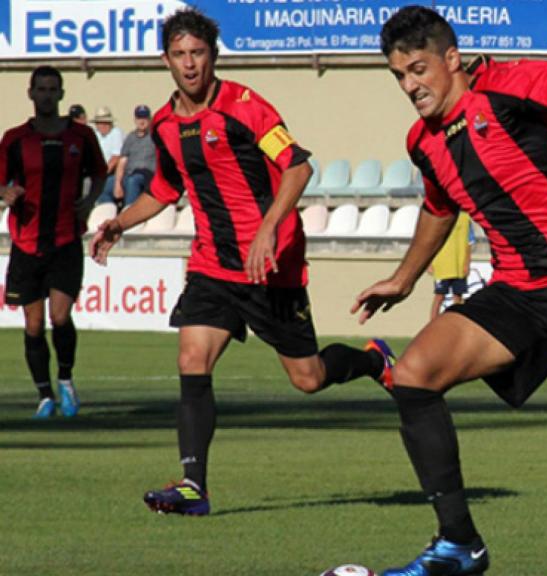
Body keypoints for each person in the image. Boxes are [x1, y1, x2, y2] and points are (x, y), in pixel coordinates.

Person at [356, 7, 547, 575]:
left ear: (452, 59)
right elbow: (439, 207)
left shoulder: (509, 85)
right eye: (399, 75)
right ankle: (459, 544)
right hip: (520, 293)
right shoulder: (423, 142)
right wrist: (403, 279)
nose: (410, 86)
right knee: (414, 375)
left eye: (418, 70)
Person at [89, 7, 386, 516]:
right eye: (179, 54)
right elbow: (164, 188)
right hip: (212, 264)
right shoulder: (164, 125)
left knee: (308, 378)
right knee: (192, 360)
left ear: (213, 55)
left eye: (197, 53)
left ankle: (375, 359)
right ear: (165, 60)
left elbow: (298, 166)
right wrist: (120, 222)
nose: (189, 64)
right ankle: (193, 487)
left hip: (269, 264)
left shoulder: (246, 107)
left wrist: (268, 227)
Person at [0, 66, 107, 419]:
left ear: (61, 94)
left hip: (65, 239)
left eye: (52, 89)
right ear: (31, 94)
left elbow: (100, 171)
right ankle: (44, 395)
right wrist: (5, 192)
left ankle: (65, 379)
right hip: (26, 243)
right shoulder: (15, 139)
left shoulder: (80, 136)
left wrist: (89, 202)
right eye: (41, 89)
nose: (46, 95)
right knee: (33, 325)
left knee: (60, 317)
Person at [99, 104, 156, 209]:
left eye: (145, 118)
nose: (142, 121)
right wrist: (117, 183)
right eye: (139, 118)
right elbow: (122, 161)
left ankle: (129, 213)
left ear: (149, 120)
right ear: (135, 120)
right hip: (129, 174)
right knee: (106, 184)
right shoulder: (130, 137)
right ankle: (109, 213)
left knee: (133, 181)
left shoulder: (155, 137)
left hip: (146, 176)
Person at [428, 211, 474, 321]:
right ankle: (433, 323)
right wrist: (429, 262)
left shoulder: (465, 219)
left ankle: (456, 322)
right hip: (441, 264)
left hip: (459, 264)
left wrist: (467, 263)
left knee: (458, 296)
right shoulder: (440, 216)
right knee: (439, 296)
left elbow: (469, 242)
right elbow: (430, 241)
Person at [91, 105, 124, 203]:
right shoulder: (95, 134)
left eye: (106, 123)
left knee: (102, 188)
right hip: (96, 172)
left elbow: (116, 158)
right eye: (100, 123)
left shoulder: (116, 133)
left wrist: (102, 173)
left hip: (112, 173)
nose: (103, 125)